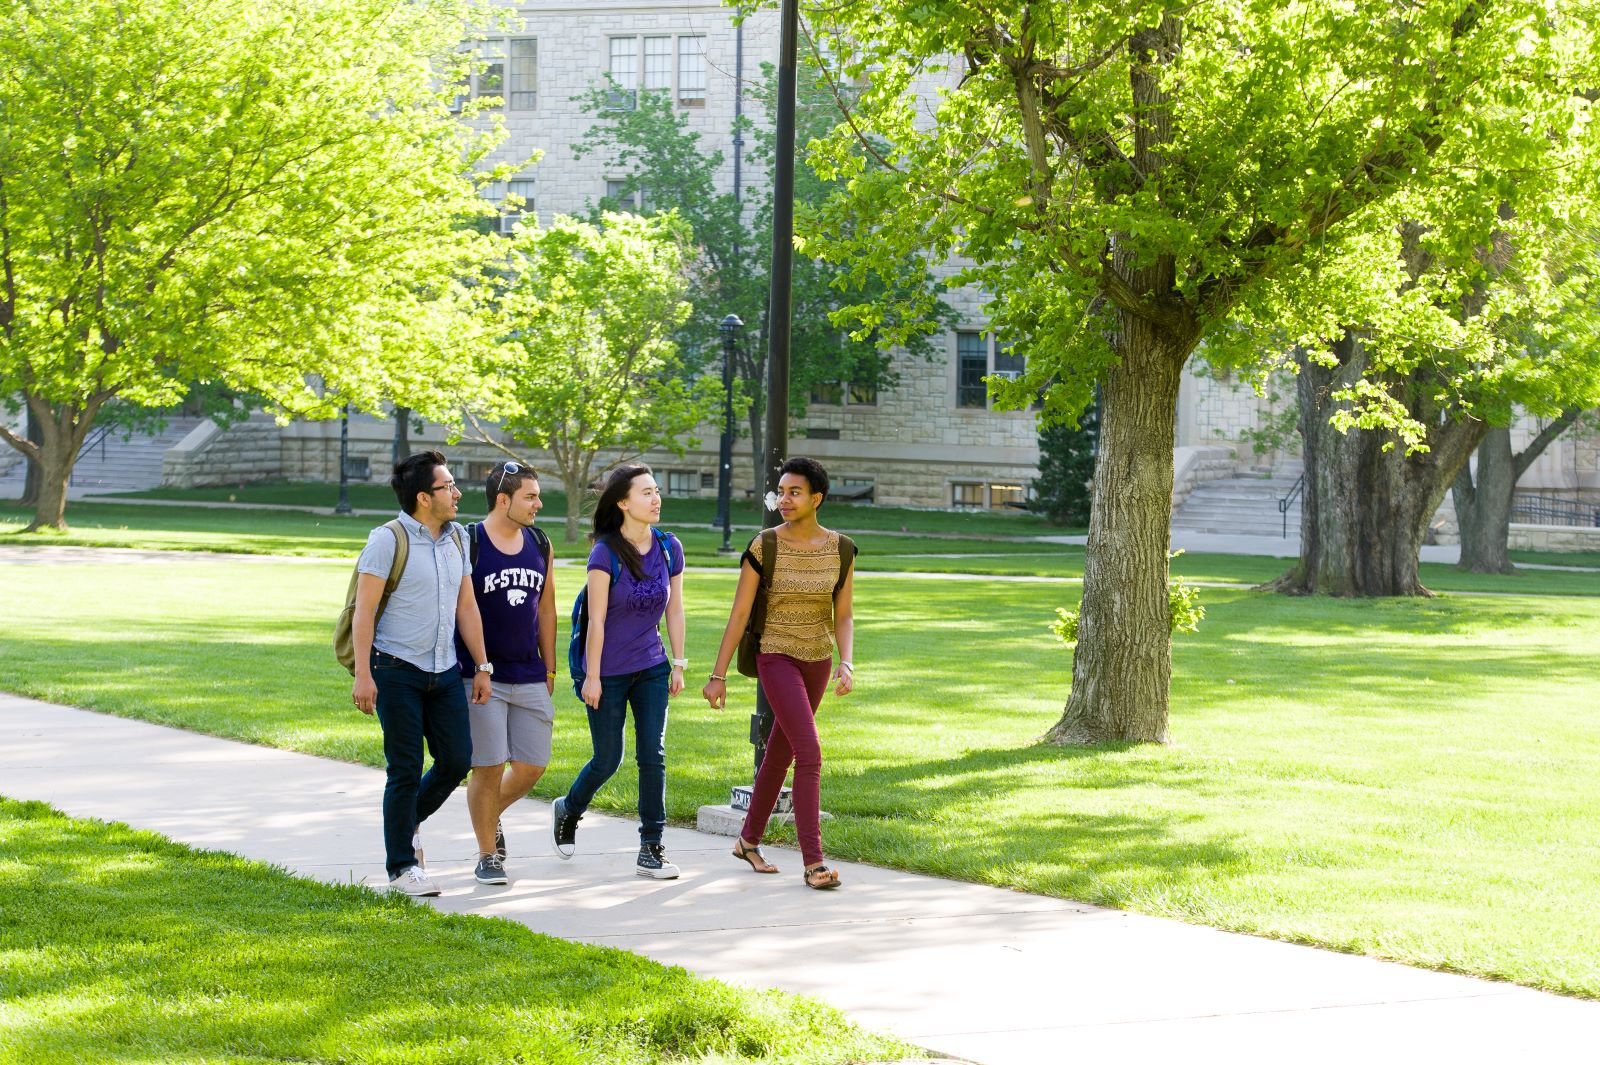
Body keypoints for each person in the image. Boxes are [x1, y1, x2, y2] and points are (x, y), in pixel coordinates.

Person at [702, 456, 855, 890]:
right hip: (776, 655)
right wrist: (718, 675)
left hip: (818, 660)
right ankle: (814, 862)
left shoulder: (841, 549)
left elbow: (843, 614)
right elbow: (739, 615)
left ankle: (748, 840)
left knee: (780, 753)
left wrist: (846, 660)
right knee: (809, 752)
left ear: (816, 498)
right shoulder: (763, 546)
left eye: (795, 493)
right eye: (781, 492)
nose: (784, 500)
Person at [351, 450, 492, 897]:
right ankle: (402, 866)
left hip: (444, 669)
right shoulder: (387, 540)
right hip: (395, 670)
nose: (456, 492)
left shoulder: (457, 540)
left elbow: (466, 606)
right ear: (422, 498)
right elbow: (364, 611)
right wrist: (363, 675)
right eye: (447, 486)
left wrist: (483, 664)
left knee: (455, 761)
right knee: (406, 768)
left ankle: (405, 822)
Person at [551, 464, 687, 879]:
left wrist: (678, 663)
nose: (656, 498)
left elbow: (675, 608)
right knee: (608, 759)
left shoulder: (669, 547)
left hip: (651, 666)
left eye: (657, 490)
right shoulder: (604, 553)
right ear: (623, 503)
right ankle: (569, 809)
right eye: (646, 492)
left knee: (654, 755)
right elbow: (597, 622)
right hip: (607, 672)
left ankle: (651, 846)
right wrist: (591, 676)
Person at [456, 461, 556, 886]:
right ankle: (487, 854)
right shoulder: (470, 541)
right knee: (490, 765)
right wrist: (479, 666)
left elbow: (547, 607)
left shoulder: (539, 541)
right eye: (530, 496)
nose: (538, 503)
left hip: (529, 672)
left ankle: (488, 814)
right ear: (503, 499)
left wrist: (549, 666)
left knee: (533, 765)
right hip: (481, 675)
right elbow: (461, 606)